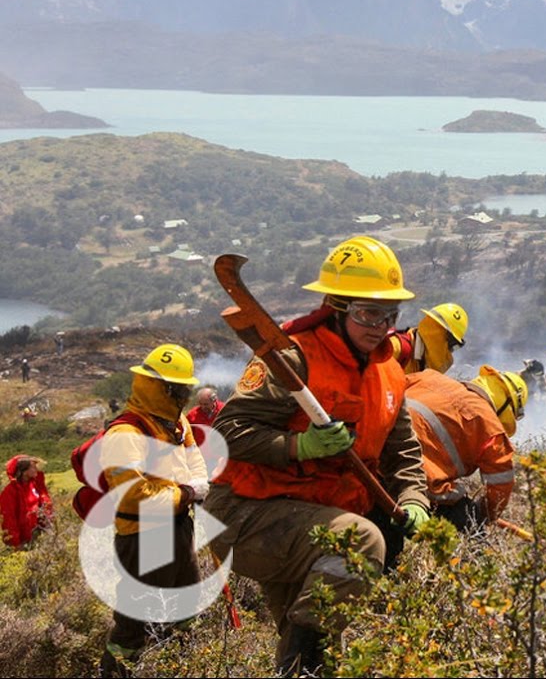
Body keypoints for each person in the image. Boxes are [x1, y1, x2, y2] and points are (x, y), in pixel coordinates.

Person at [206, 235, 432, 677]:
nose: (379, 326)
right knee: (361, 543)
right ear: (338, 307)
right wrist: (298, 446)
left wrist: (415, 500)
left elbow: (401, 449)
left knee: (314, 644)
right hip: (248, 515)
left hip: (314, 523)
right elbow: (227, 432)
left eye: (389, 315)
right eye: (368, 313)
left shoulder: (389, 372)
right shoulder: (292, 358)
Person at [97, 343, 209, 678]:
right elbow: (134, 496)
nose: (184, 395)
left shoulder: (176, 423)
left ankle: (182, 666)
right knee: (136, 616)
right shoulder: (125, 433)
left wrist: (199, 482)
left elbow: (192, 456)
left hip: (178, 525)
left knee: (185, 602)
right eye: (179, 389)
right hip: (145, 534)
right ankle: (115, 672)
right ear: (163, 388)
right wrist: (187, 492)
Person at [402, 366, 527, 539]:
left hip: (373, 450)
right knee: (472, 532)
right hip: (418, 479)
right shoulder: (491, 428)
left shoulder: (429, 377)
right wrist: (483, 514)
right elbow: (500, 487)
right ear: (508, 408)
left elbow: (388, 388)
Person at [391, 302, 469, 374]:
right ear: (438, 333)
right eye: (452, 343)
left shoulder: (425, 359)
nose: (450, 350)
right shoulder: (396, 348)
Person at [0, 454, 53, 548]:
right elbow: (9, 520)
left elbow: (44, 504)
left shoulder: (35, 484)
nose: (36, 469)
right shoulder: (9, 492)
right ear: (24, 471)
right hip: (23, 540)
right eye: (33, 467)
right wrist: (15, 544)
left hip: (39, 532)